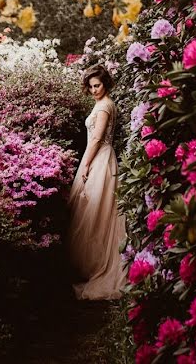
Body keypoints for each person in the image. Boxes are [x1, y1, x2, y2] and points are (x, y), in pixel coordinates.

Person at [67, 64, 127, 300]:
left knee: (96, 212)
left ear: (106, 84)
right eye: (90, 86)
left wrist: (87, 165)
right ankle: (89, 265)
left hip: (100, 158)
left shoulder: (105, 106)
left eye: (97, 85)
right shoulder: (101, 104)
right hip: (99, 157)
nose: (93, 90)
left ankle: (97, 265)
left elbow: (96, 140)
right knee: (94, 212)